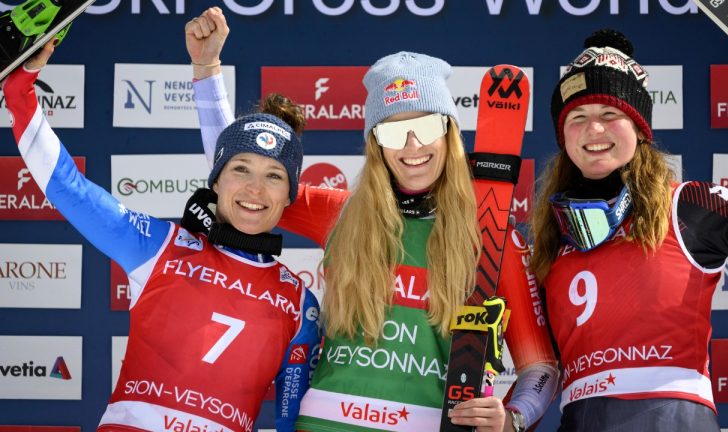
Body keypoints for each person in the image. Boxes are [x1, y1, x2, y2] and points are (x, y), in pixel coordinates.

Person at [186, 8, 559, 431]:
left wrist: (512, 419)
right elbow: (239, 169)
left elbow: (540, 367)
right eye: (393, 132)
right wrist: (206, 68)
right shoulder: (342, 214)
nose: (412, 146)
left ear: (449, 132)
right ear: (376, 144)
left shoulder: (491, 239)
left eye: (426, 127)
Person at [2, 40, 320, 432]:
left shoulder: (299, 302)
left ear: (289, 195)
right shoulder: (161, 246)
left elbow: (292, 420)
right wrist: (20, 92)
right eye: (241, 169)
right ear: (216, 180)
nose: (255, 189)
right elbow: (71, 189)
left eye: (273, 176)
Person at [530, 28, 728, 431]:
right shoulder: (552, 238)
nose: (594, 129)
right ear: (563, 134)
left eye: (610, 114)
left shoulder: (689, 205)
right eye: (578, 117)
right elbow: (538, 365)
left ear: (640, 127)